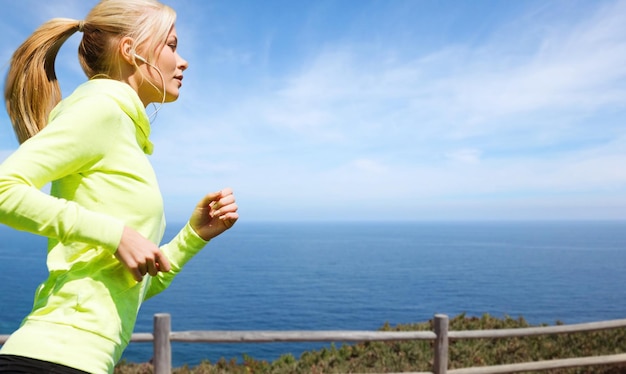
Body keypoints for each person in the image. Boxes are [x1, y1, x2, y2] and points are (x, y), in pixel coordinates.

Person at [0, 0, 239, 373]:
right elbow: (4, 190)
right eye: (171, 45)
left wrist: (194, 236)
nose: (183, 61)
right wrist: (115, 235)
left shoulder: (125, 132)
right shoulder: (101, 111)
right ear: (130, 51)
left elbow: (134, 283)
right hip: (52, 358)